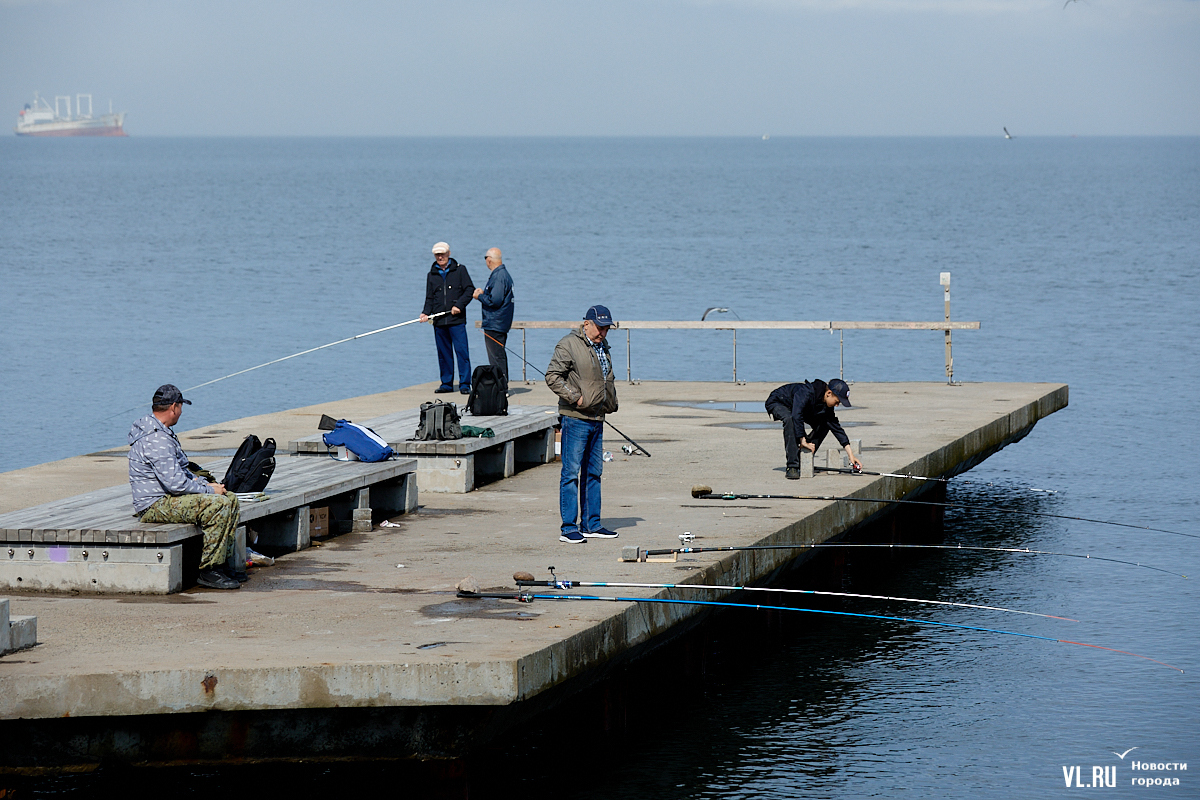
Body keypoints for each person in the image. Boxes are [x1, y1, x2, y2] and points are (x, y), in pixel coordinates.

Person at [128, 384, 242, 590]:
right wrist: (209, 491)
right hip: (155, 504)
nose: (181, 411)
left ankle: (222, 564)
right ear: (174, 407)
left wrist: (205, 483)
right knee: (219, 506)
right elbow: (175, 484)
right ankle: (209, 570)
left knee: (230, 499)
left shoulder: (162, 431)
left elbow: (180, 474)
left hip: (168, 498)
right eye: (181, 407)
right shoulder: (157, 439)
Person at [545, 305, 620, 544]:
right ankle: (568, 528)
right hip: (575, 418)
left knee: (594, 472)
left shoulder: (603, 347)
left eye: (606, 328)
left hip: (598, 418)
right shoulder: (568, 344)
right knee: (570, 473)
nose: (603, 333)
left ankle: (591, 524)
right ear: (586, 323)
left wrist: (609, 403)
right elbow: (552, 376)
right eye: (599, 327)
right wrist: (575, 397)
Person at [765, 378, 863, 480]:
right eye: (837, 401)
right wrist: (802, 440)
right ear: (829, 393)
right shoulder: (807, 392)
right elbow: (796, 415)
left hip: (801, 409)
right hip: (779, 401)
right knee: (790, 420)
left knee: (826, 424)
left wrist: (851, 455)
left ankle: (803, 457)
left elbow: (836, 428)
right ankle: (792, 466)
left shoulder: (826, 404)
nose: (837, 405)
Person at [420, 241, 475, 394]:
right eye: (437, 255)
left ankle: (465, 384)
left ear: (449, 254)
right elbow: (429, 298)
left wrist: (459, 305)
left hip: (456, 321)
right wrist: (425, 313)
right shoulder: (431, 275)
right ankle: (447, 383)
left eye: (442, 254)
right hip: (439, 321)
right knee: (444, 354)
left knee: (462, 352)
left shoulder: (460, 270)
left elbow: (469, 290)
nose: (440, 257)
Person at [472, 247, 514, 386]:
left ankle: (501, 387)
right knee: (497, 356)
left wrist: (479, 296)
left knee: (496, 357)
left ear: (488, 260)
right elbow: (496, 296)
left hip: (495, 323)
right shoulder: (501, 275)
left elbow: (494, 301)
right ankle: (501, 386)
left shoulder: (499, 276)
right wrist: (485, 294)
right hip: (499, 322)